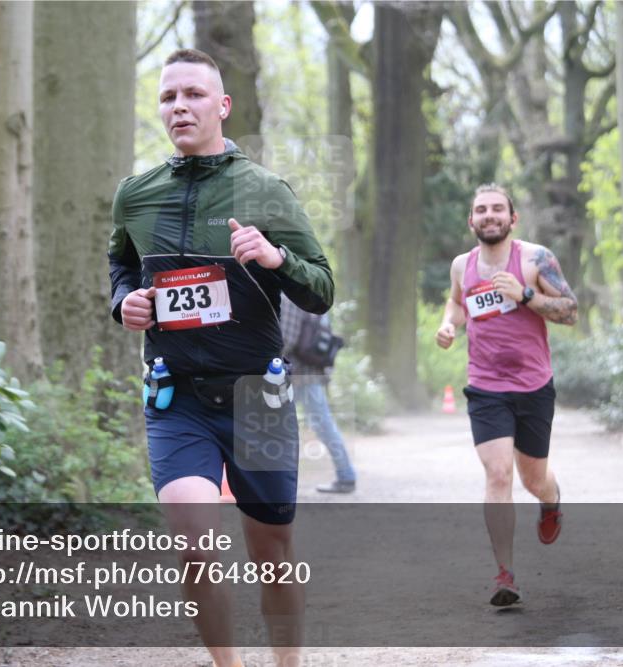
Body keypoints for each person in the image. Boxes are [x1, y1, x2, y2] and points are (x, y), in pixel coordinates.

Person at [107, 48, 333, 667]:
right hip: (176, 396)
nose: (179, 106)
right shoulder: (136, 194)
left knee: (271, 550)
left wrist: (274, 258)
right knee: (195, 544)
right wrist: (125, 301)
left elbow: (321, 289)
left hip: (257, 395)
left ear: (223, 106)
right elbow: (120, 265)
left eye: (194, 95)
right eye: (168, 97)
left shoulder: (265, 190)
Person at [435, 183, 577, 607]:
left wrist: (526, 295)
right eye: (481, 210)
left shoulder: (535, 259)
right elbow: (457, 303)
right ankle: (505, 574)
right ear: (472, 220)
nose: (489, 215)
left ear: (513, 219)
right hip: (485, 385)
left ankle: (551, 501)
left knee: (534, 479)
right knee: (498, 475)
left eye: (498, 209)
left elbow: (570, 310)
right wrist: (449, 325)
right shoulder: (463, 265)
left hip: (533, 386)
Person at [279, 294, 356, 493]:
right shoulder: (311, 291)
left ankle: (346, 475)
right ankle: (345, 475)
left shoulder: (288, 297)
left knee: (314, 424)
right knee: (320, 424)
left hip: (298, 374)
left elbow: (287, 338)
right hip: (312, 372)